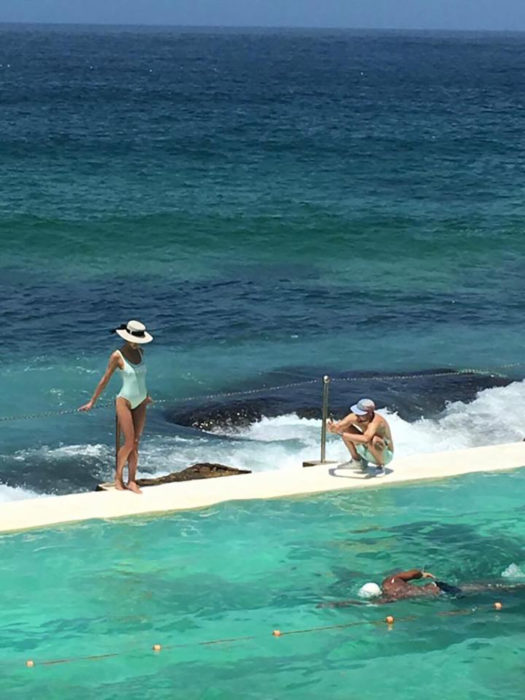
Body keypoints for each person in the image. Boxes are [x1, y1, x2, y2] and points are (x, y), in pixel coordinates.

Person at [79, 320, 153, 494]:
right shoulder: (117, 356)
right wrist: (92, 401)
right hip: (124, 401)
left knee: (136, 443)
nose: (138, 343)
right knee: (128, 442)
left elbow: (139, 378)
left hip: (141, 400)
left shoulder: (141, 352)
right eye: (136, 340)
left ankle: (132, 480)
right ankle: (118, 477)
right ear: (128, 338)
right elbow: (105, 379)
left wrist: (146, 395)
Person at [320, 568, 525, 607]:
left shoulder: (393, 597)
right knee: (492, 585)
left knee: (495, 590)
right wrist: (422, 574)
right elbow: (409, 573)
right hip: (439, 585)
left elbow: (361, 605)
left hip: (446, 595)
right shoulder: (391, 582)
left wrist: (340, 603)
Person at [327, 398, 394, 476]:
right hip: (367, 449)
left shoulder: (376, 422)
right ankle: (357, 461)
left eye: (361, 414)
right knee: (345, 428)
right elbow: (339, 427)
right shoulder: (355, 417)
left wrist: (341, 434)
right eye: (357, 413)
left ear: (370, 414)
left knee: (374, 440)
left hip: (384, 455)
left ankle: (380, 466)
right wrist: (332, 428)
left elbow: (366, 439)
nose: (357, 417)